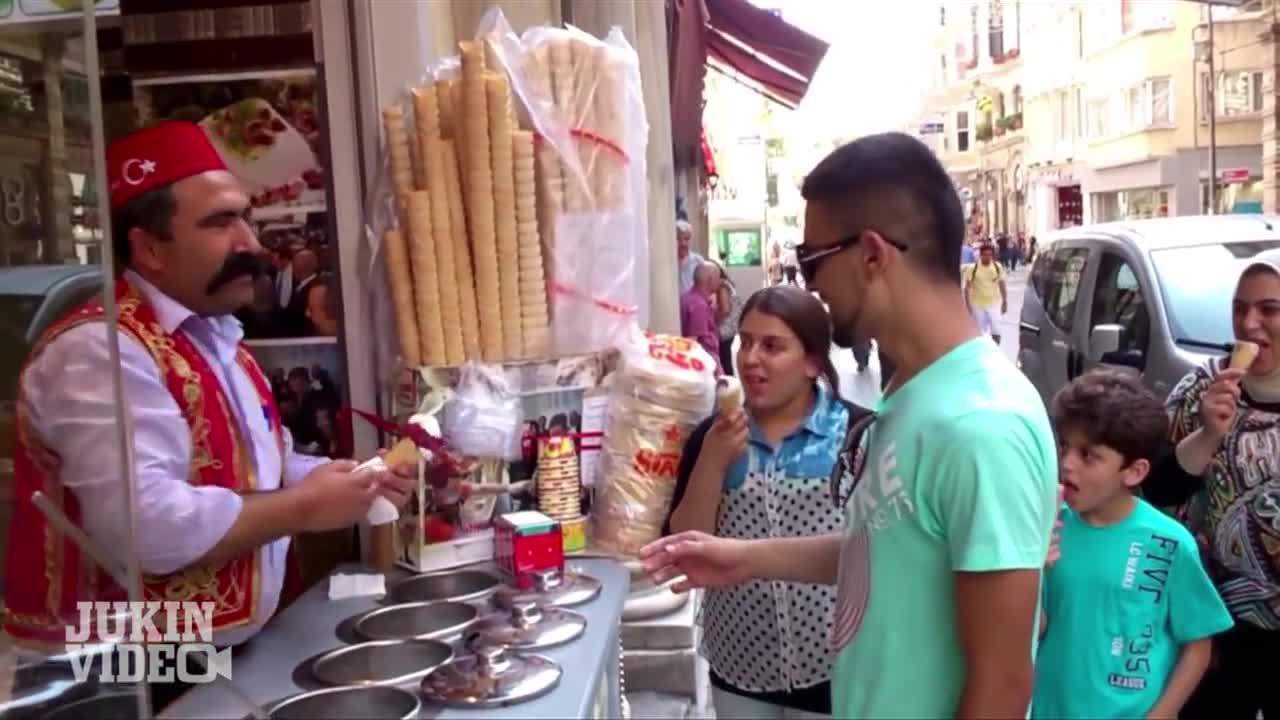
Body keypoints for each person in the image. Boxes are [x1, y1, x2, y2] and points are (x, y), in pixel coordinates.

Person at [642, 132, 1059, 718]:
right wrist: (745, 558)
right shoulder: (911, 392)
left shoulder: (981, 425)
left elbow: (1002, 686)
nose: (809, 284)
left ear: (871, 255)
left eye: (812, 261)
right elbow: (888, 550)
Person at [2, 122, 414, 703]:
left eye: (244, 217)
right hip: (121, 669)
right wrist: (305, 507)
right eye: (221, 222)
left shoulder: (216, 338)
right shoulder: (100, 349)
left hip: (211, 650)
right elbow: (148, 528)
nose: (250, 241)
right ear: (148, 249)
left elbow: (258, 467)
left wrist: (350, 478)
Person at [667, 287, 865, 719]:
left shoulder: (856, 434)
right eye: (745, 341)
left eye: (772, 346)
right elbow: (684, 544)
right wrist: (713, 463)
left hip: (838, 665)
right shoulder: (711, 436)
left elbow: (884, 545)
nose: (750, 358)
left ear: (813, 362)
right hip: (740, 663)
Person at [1034, 370, 1232, 720]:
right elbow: (1034, 630)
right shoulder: (1046, 528)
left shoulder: (1169, 543)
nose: (1066, 464)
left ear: (1135, 471)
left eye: (1088, 455)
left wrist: (1164, 712)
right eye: (1064, 445)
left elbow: (1198, 642)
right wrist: (1033, 573)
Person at [1143, 248, 1280, 720]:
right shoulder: (1203, 386)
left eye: (1269, 309)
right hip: (1219, 622)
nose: (1249, 324)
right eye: (1240, 308)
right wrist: (1207, 434)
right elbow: (1157, 493)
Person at [964, 242, 1008, 346]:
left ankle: (995, 350)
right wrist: (968, 306)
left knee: (996, 330)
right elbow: (967, 288)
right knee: (980, 333)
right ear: (980, 255)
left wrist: (1005, 301)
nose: (987, 257)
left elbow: (1002, 284)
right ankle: (982, 352)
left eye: (989, 255)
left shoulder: (997, 267)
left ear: (993, 255)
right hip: (978, 305)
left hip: (994, 304)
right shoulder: (973, 269)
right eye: (985, 255)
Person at [681, 261, 722, 372]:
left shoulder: (688, 297)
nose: (720, 281)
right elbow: (694, 343)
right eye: (718, 277)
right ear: (710, 280)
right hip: (705, 363)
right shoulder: (699, 305)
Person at [714, 263, 745, 376]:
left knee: (724, 360)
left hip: (724, 328)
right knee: (725, 358)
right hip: (730, 328)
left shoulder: (722, 286)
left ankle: (729, 386)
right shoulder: (728, 284)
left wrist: (714, 321)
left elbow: (725, 309)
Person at [677, 219, 705, 295]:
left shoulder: (698, 261)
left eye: (686, 239)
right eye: (678, 239)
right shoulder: (668, 263)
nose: (683, 243)